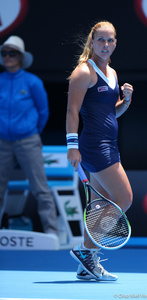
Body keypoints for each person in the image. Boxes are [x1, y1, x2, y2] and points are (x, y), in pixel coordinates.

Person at [66, 21, 133, 281]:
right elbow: (72, 111)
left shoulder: (113, 73)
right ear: (91, 42)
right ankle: (86, 250)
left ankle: (87, 264)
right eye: (101, 40)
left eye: (110, 40)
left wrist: (125, 101)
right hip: (94, 145)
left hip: (108, 143)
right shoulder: (83, 72)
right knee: (124, 198)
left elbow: (110, 113)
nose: (105, 45)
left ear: (115, 43)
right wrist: (72, 147)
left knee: (99, 206)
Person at [0, 35, 58, 236]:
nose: (8, 56)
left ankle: (52, 233)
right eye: (4, 53)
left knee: (40, 188)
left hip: (28, 140)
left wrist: (31, 132)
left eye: (12, 53)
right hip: (2, 143)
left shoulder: (32, 82)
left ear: (21, 57)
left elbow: (44, 112)